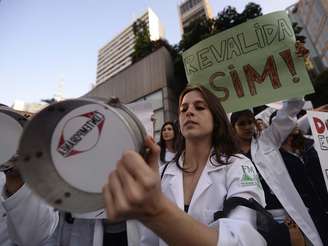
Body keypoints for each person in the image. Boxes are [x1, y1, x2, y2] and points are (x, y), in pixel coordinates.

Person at [103, 85, 266, 246]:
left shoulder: (238, 165)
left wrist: (158, 211)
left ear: (216, 120)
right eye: (183, 109)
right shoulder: (162, 172)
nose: (189, 112)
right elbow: (148, 240)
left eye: (200, 107)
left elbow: (245, 239)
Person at [230, 101, 324, 246]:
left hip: (287, 215)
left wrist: (285, 90)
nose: (248, 127)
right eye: (242, 123)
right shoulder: (229, 157)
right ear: (233, 127)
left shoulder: (268, 140)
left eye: (250, 122)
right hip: (256, 221)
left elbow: (291, 109)